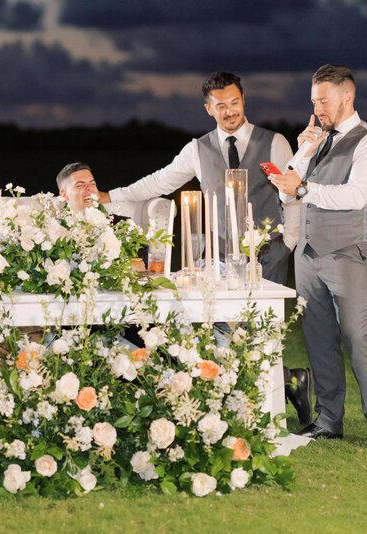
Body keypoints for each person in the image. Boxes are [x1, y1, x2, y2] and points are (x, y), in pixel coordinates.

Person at [96, 72, 312, 424]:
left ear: (243, 100)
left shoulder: (275, 143)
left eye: (235, 103)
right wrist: (112, 196)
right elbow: (160, 180)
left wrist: (287, 243)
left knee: (259, 335)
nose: (230, 111)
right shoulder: (197, 149)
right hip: (217, 257)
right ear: (209, 109)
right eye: (221, 106)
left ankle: (263, 414)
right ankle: (288, 384)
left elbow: (291, 196)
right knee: (221, 335)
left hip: (266, 253)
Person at [268, 64, 367, 453]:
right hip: (308, 254)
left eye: (324, 101)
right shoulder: (316, 139)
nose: (317, 109)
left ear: (347, 96)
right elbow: (287, 193)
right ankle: (328, 421)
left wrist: (302, 187)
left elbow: (355, 196)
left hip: (348, 251)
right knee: (319, 339)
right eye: (313, 101)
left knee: (358, 336)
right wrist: (302, 153)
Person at [56, 161, 148, 267]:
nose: (90, 188)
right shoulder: (55, 232)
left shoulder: (124, 225)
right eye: (80, 185)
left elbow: (143, 267)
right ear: (64, 195)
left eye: (93, 184)